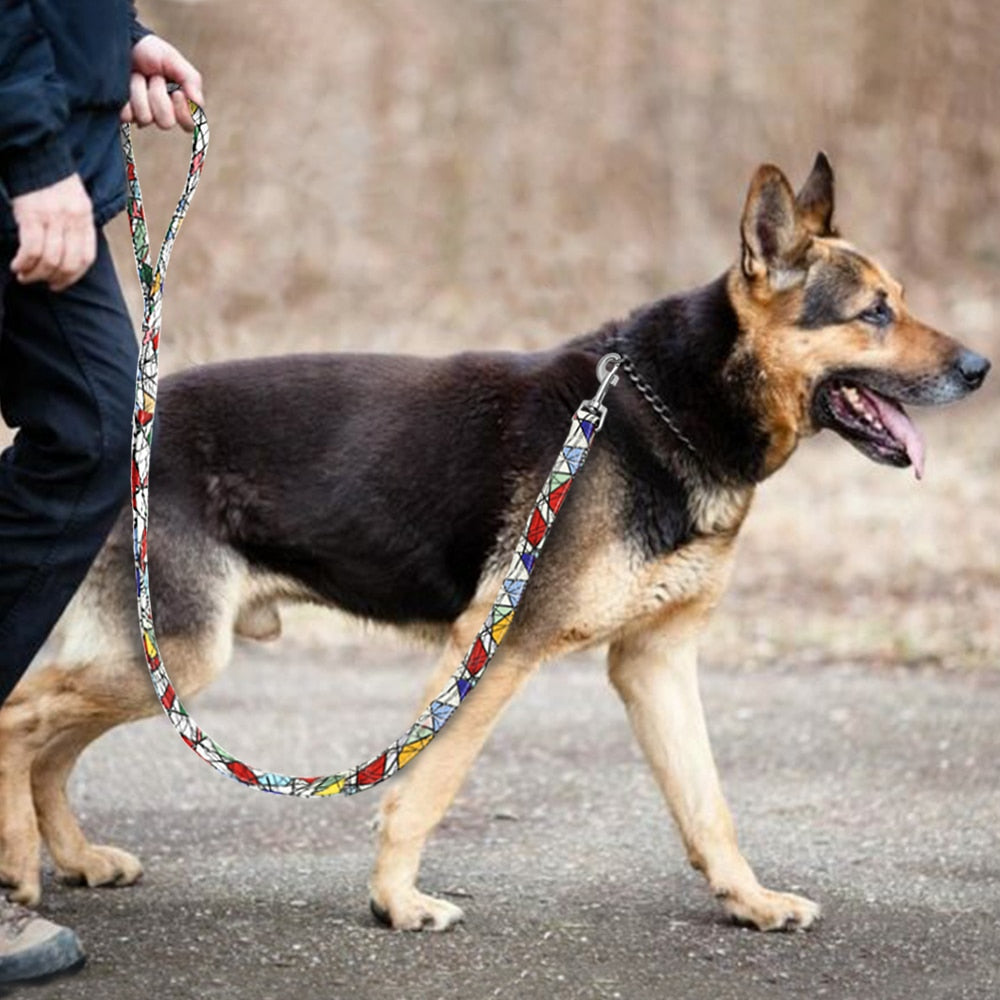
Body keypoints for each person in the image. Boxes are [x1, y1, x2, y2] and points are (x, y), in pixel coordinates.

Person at [0, 1, 203, 987]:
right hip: (24, 146)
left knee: (89, 432)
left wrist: (109, 41)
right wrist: (31, 147)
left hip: (44, 132)